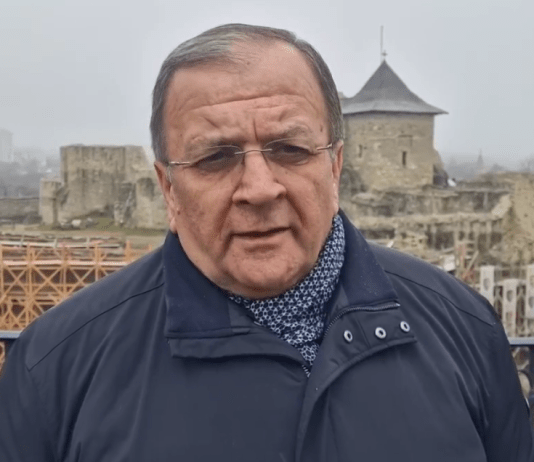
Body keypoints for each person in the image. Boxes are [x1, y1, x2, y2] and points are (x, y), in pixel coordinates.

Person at [0, 24, 532, 462]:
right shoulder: (55, 367)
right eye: (215, 157)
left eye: (290, 149)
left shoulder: (465, 327)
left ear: (335, 166)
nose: (259, 188)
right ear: (169, 189)